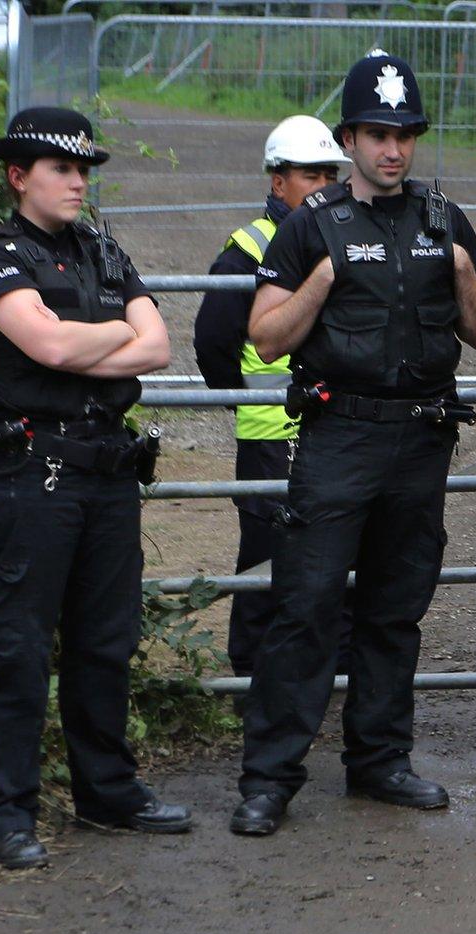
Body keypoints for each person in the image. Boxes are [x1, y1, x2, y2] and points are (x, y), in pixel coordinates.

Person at [229, 51, 476, 836]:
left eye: (405, 134)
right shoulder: (311, 224)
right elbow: (266, 337)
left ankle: (380, 760)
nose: (393, 148)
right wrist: (322, 279)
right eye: (377, 133)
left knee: (394, 610)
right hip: (338, 436)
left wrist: (459, 273)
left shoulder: (445, 221)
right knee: (306, 607)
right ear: (349, 137)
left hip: (420, 439)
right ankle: (270, 779)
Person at [0, 107, 186, 868]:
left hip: (107, 475)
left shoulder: (103, 250)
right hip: (31, 474)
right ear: (18, 175)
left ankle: (107, 793)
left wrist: (88, 346)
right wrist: (110, 337)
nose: (78, 182)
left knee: (104, 642)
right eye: (63, 169)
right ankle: (0, 814)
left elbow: (156, 347)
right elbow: (46, 342)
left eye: (84, 169)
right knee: (18, 647)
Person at [191, 114, 349, 681]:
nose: (325, 185)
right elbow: (213, 340)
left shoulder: (346, 238)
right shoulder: (249, 248)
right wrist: (244, 399)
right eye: (311, 173)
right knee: (264, 560)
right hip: (269, 435)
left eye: (331, 172)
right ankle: (251, 675)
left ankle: (331, 672)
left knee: (339, 554)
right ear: (277, 181)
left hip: (337, 430)